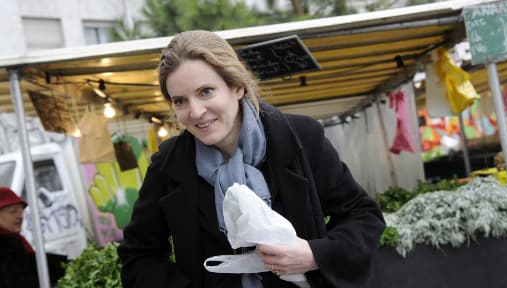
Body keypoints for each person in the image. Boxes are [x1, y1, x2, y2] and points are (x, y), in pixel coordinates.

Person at [118, 30, 385, 288]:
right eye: (180, 101)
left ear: (237, 87)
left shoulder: (302, 138)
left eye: (206, 91)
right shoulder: (168, 164)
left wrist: (314, 254)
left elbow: (363, 216)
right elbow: (138, 255)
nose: (196, 112)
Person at [0, 187, 39, 287]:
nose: (20, 216)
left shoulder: (16, 240)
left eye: (21, 211)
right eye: (13, 211)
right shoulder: (6, 246)